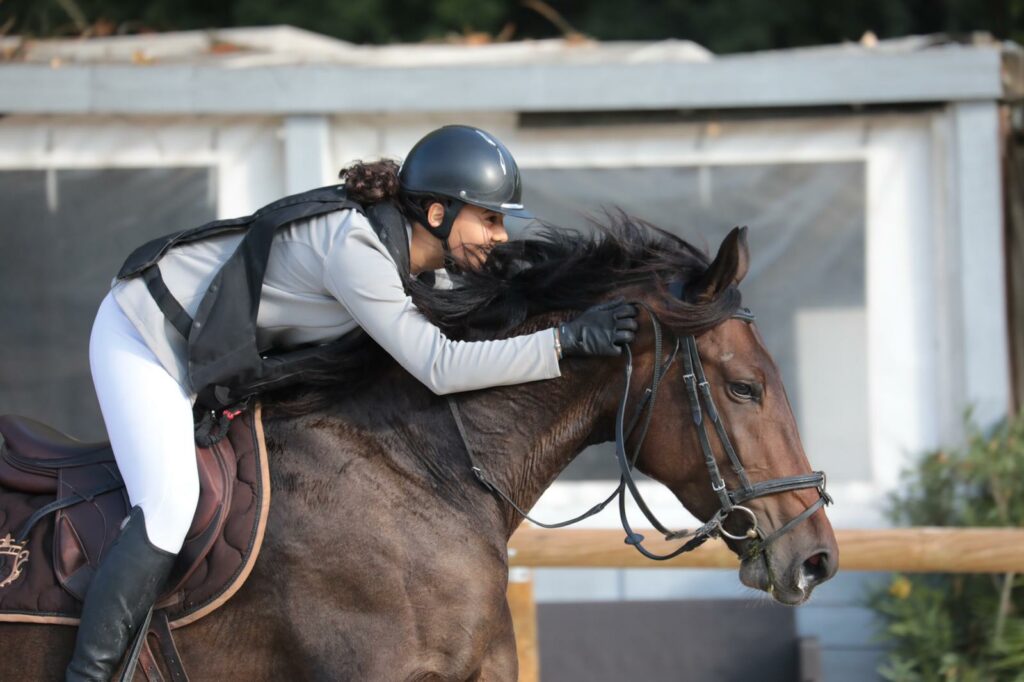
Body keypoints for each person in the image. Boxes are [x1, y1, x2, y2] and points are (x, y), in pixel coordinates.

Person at [66, 124, 638, 680]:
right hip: (144, 336)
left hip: (206, 354)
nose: (501, 235)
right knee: (170, 506)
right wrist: (562, 342)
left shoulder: (408, 255)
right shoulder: (356, 249)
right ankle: (89, 673)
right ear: (436, 214)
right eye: (489, 219)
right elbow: (438, 366)